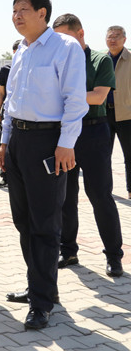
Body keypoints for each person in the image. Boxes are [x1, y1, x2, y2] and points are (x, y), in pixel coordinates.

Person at [0, 0, 88, 330]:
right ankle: (40, 285)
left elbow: (75, 100)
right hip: (19, 142)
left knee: (45, 224)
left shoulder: (65, 47)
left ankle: (42, 302)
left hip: (48, 142)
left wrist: (66, 144)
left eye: (23, 10)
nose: (17, 16)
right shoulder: (21, 50)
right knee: (24, 221)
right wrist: (5, 142)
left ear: (42, 13)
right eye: (14, 10)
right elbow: (11, 100)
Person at [52, 14, 124, 277]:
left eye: (65, 36)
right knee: (65, 196)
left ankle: (114, 255)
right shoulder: (58, 60)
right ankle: (68, 251)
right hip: (64, 135)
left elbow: (98, 97)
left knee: (100, 195)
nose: (61, 43)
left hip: (93, 133)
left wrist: (65, 97)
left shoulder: (99, 60)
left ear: (80, 33)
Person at [105, 25, 131, 199]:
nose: (112, 39)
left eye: (116, 36)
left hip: (127, 114)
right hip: (104, 114)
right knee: (103, 155)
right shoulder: (101, 60)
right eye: (110, 36)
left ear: (124, 39)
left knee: (129, 154)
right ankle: (105, 190)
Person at [0, 40, 21, 188]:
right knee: (4, 143)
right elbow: (1, 93)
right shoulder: (6, 70)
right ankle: (5, 175)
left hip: (20, 113)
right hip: (7, 112)